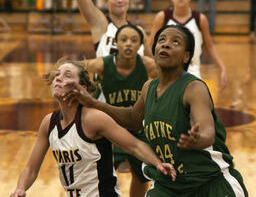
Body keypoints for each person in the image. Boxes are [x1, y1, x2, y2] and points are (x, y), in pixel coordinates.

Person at [62, 24, 248, 197]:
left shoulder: (193, 88)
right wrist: (93, 103)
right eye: (162, 40)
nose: (166, 44)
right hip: (169, 184)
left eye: (175, 42)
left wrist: (198, 139)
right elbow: (133, 118)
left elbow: (208, 131)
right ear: (154, 49)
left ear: (185, 56)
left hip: (209, 183)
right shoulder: (149, 88)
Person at [10, 57, 175, 197]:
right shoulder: (49, 122)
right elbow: (31, 168)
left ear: (83, 88)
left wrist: (157, 163)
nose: (59, 78)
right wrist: (21, 188)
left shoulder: (93, 119)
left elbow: (134, 145)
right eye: (57, 75)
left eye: (67, 75)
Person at [80, 24, 158, 197]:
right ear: (116, 43)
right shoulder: (102, 64)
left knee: (142, 176)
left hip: (139, 126)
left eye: (134, 40)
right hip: (113, 125)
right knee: (109, 171)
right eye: (123, 40)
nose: (128, 44)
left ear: (140, 46)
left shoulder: (148, 65)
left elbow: (171, 79)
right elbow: (78, 67)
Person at [150, 0, 227, 89]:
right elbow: (150, 47)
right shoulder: (162, 17)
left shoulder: (200, 19)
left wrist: (222, 68)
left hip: (193, 70)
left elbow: (209, 47)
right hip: (165, 72)